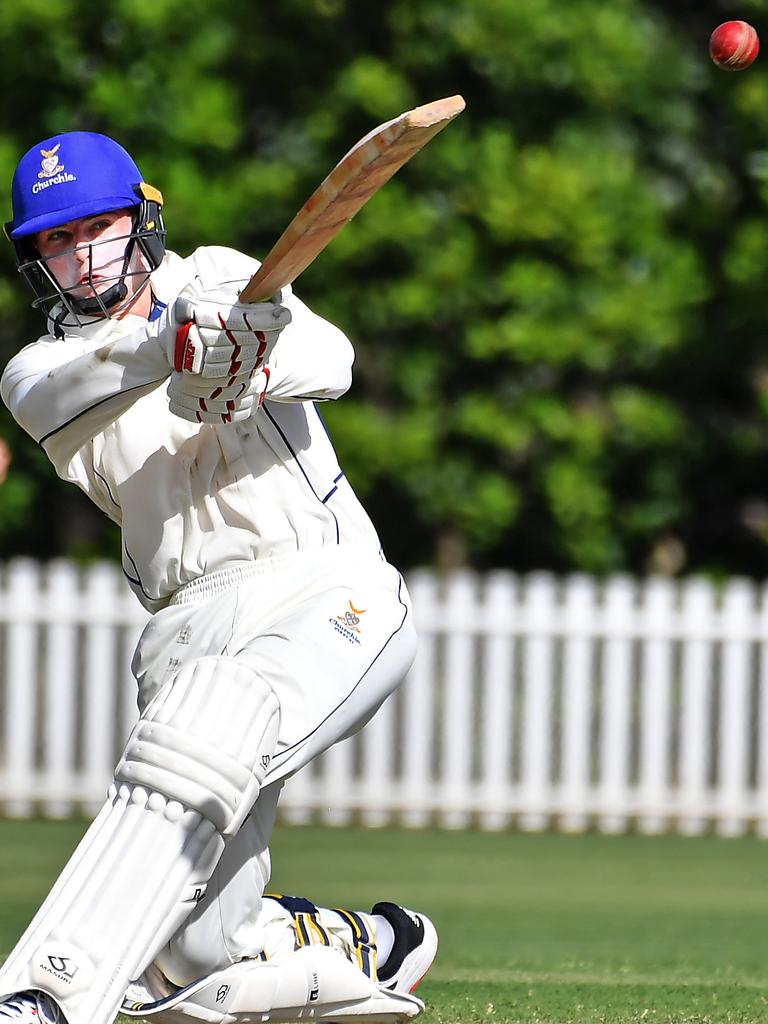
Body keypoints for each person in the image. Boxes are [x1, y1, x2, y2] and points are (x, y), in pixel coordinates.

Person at [0, 131, 437, 1024]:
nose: (80, 255)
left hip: (324, 585)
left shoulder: (221, 274)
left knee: (215, 724)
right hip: (185, 627)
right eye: (54, 240)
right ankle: (359, 941)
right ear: (33, 258)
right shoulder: (34, 372)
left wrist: (248, 346)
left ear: (141, 218)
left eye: (97, 227)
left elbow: (336, 362)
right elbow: (95, 382)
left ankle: (44, 996)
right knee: (194, 955)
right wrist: (176, 347)